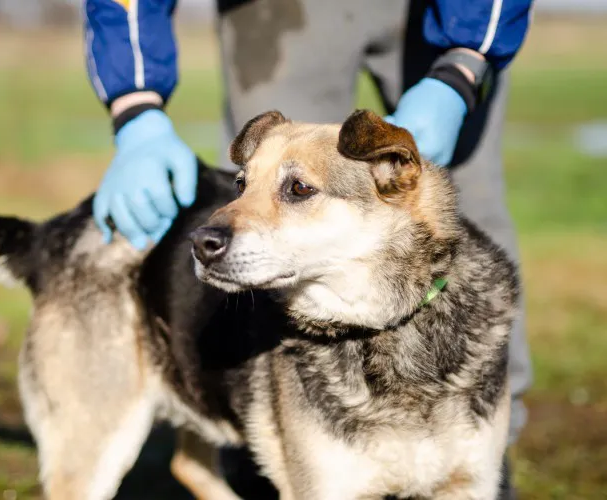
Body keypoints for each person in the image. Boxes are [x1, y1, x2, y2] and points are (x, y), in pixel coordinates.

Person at [84, 0, 533, 496]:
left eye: (296, 192)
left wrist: (464, 65)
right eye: (242, 186)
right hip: (280, 13)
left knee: (467, 199)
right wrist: (135, 106)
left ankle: (492, 440)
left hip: (450, 11)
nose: (220, 226)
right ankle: (265, 453)